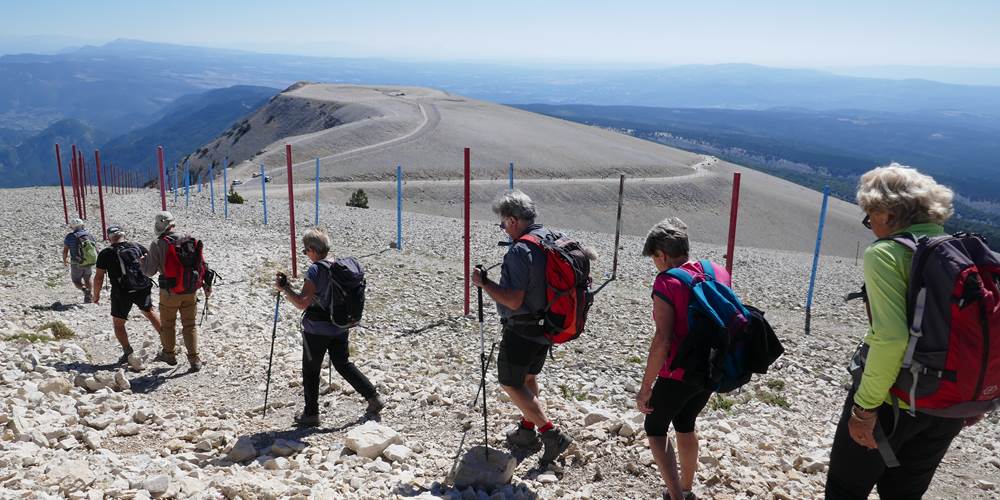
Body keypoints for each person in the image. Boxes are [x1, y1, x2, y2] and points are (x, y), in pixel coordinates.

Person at [825, 164, 984, 499]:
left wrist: (864, 409)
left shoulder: (887, 253)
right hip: (948, 404)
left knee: (845, 489)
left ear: (888, 213)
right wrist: (973, 397)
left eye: (870, 216)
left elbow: (891, 338)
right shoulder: (965, 252)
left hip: (892, 401)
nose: (871, 226)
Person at [471, 189, 573, 464]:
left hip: (522, 328)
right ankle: (527, 431)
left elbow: (514, 300)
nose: (504, 229)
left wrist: (484, 283)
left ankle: (551, 434)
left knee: (510, 382)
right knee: (528, 378)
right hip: (547, 325)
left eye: (503, 223)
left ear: (513, 220)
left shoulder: (520, 250)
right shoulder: (549, 237)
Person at [636, 217, 725, 500]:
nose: (655, 264)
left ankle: (676, 496)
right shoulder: (715, 270)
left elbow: (662, 339)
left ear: (661, 254)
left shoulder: (667, 281)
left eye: (654, 258)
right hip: (712, 366)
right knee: (685, 422)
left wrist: (646, 387)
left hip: (679, 369)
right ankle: (686, 489)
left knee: (655, 427)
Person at [274, 227, 384, 426]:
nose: (306, 254)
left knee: (311, 370)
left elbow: (302, 303)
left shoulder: (315, 269)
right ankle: (373, 397)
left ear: (312, 249)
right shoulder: (338, 265)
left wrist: (285, 288)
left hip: (317, 329)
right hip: (340, 325)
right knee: (343, 364)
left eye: (305, 251)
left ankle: (311, 415)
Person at [140, 211, 211, 372]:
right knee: (190, 324)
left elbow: (150, 272)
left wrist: (142, 262)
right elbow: (202, 264)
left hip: (169, 292)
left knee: (168, 324)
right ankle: (194, 359)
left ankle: (169, 354)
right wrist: (207, 286)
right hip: (190, 289)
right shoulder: (189, 239)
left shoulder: (158, 244)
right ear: (173, 223)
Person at [92, 225, 161, 365]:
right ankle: (168, 344)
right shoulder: (137, 246)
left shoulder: (105, 253)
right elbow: (152, 264)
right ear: (124, 234)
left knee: (118, 323)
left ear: (109, 238)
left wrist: (96, 295)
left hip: (121, 292)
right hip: (142, 287)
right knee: (150, 312)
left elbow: (99, 277)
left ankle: (128, 352)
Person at [62, 218, 96, 303]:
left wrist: (65, 260)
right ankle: (89, 297)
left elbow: (65, 251)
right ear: (82, 225)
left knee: (76, 280)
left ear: (72, 227)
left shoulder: (69, 237)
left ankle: (84, 289)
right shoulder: (89, 235)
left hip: (76, 263)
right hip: (88, 261)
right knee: (88, 278)